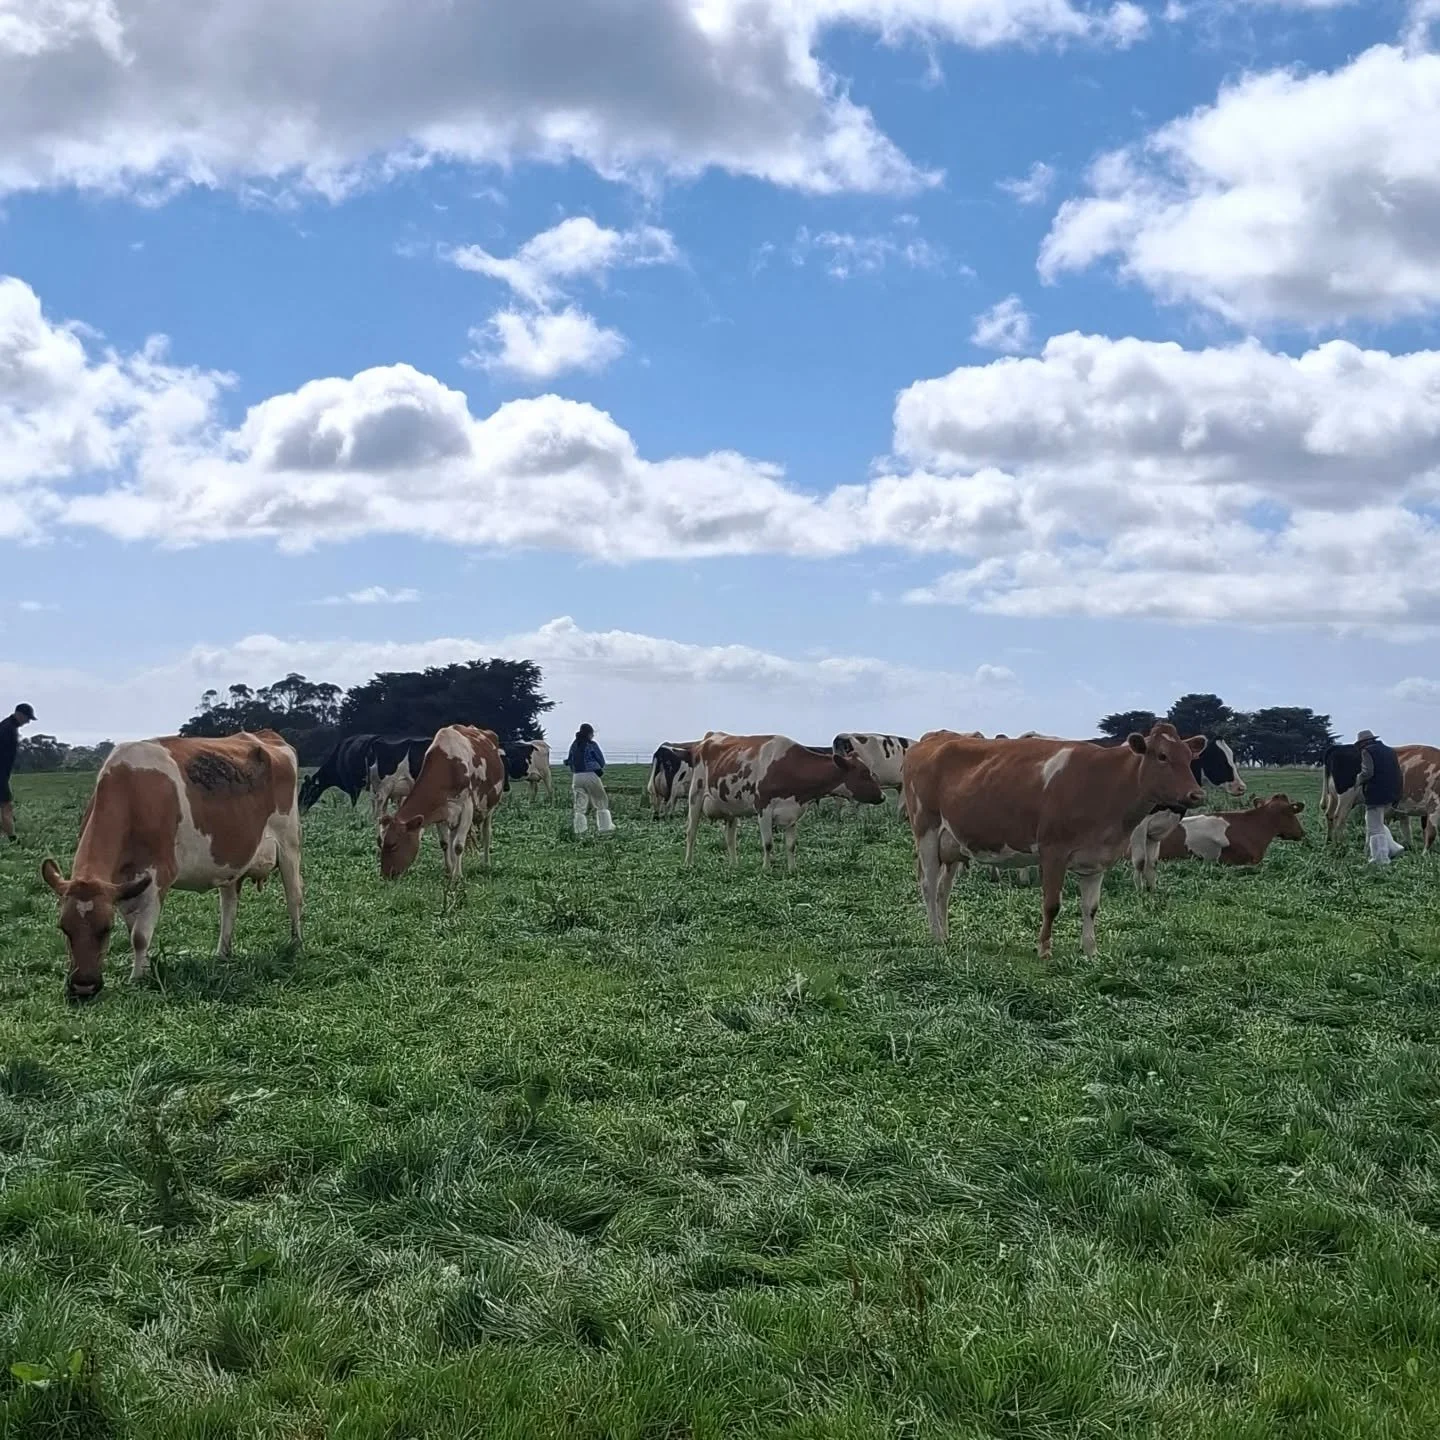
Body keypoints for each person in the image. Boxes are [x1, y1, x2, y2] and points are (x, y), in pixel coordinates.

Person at [1357, 729, 1404, 865]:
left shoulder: (1367, 751)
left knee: (1374, 827)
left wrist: (1356, 781)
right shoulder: (1390, 751)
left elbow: (1367, 772)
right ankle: (1394, 848)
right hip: (1391, 791)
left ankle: (1380, 858)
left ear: (1364, 742)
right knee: (1376, 821)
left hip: (1376, 793)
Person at [566, 723, 614, 836]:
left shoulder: (574, 745)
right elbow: (601, 761)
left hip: (577, 776)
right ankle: (605, 828)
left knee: (580, 805)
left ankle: (580, 830)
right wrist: (598, 767)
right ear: (589, 734)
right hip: (591, 775)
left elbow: (570, 760)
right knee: (600, 801)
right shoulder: (591, 745)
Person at [0, 702, 36, 842]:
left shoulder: (7, 726)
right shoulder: (7, 729)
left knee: (4, 805)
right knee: (6, 805)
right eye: (28, 718)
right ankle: (12, 839)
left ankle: (4, 833)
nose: (28, 722)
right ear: (20, 715)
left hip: (3, 773)